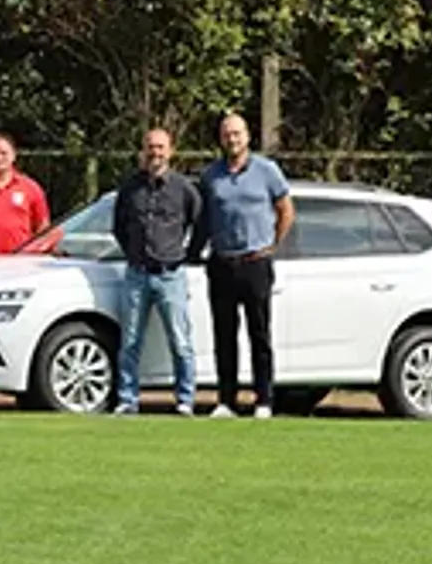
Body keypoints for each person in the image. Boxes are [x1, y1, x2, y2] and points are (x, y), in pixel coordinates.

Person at [196, 113, 295, 419]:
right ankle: (227, 400)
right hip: (223, 263)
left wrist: (272, 245)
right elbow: (203, 220)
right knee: (224, 336)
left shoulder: (267, 171)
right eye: (227, 135)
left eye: (237, 134)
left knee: (259, 335)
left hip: (256, 263)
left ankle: (263, 399)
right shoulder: (211, 175)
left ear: (247, 136)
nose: (232, 140)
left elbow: (286, 210)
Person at [112, 128, 202, 417]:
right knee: (130, 341)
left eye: (161, 148)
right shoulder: (130, 188)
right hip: (136, 274)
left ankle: (185, 399)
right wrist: (133, 253)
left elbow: (199, 224)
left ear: (171, 151)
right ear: (143, 150)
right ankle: (127, 399)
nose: (155, 153)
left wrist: (187, 255)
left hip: (170, 274)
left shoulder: (184, 189)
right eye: (150, 147)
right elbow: (119, 227)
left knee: (180, 341)